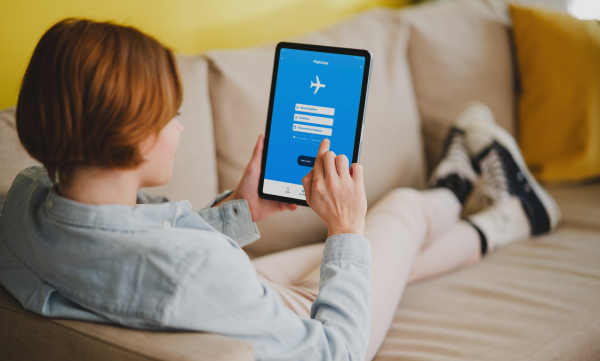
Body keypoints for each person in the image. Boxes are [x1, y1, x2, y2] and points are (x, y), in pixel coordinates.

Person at [0, 18, 560, 361]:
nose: (179, 127)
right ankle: (467, 192)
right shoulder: (195, 270)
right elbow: (335, 352)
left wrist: (241, 209)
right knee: (397, 214)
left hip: (204, 308)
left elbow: (146, 244)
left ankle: (505, 211)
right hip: (275, 333)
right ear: (131, 138)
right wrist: (345, 227)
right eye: (170, 115)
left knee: (366, 259)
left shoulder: (24, 198)